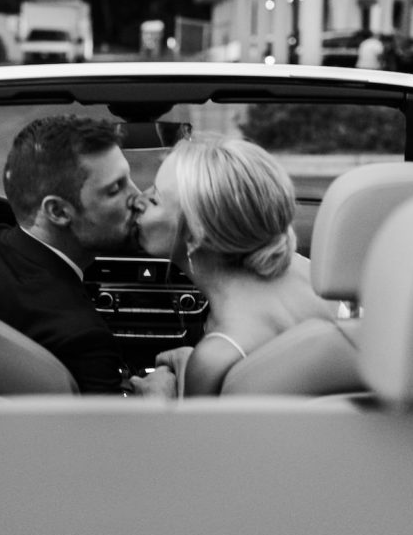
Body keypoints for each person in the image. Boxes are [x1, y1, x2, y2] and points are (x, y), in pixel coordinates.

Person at [0, 114, 174, 395]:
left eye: (129, 179)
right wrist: (160, 399)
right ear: (58, 212)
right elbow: (109, 439)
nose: (139, 196)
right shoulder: (82, 338)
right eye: (115, 189)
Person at [129, 135, 336, 397]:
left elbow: (199, 439)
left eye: (155, 198)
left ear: (195, 234)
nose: (138, 199)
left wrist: (159, 402)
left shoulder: (217, 357)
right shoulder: (311, 275)